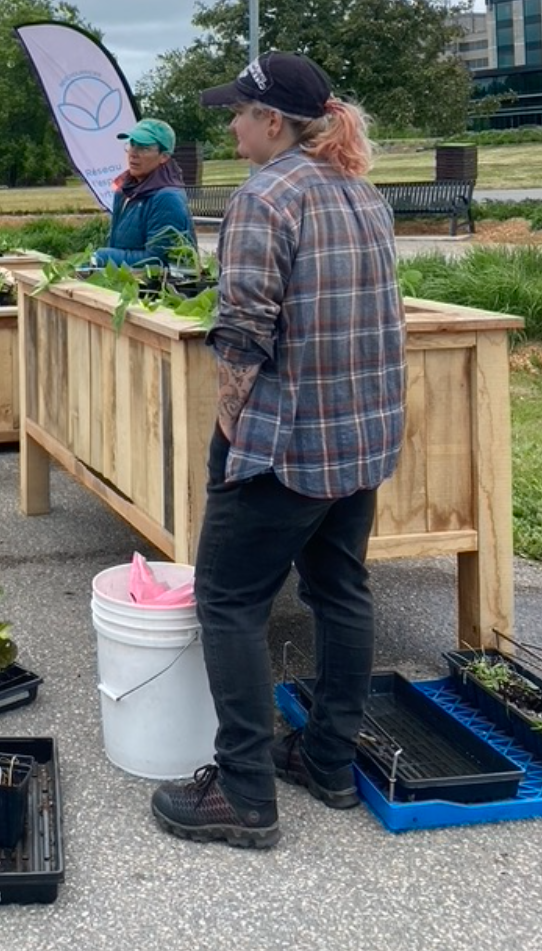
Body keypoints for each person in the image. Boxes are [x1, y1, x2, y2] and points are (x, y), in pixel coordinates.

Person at [150, 51, 406, 850]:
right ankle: (327, 761)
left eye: (240, 112)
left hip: (285, 445)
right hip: (360, 438)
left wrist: (228, 438)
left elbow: (244, 337)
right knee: (340, 590)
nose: (230, 125)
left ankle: (245, 792)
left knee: (228, 600)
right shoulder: (361, 192)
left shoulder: (264, 197)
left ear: (273, 122)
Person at [90, 117, 195, 268]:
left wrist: (102, 257)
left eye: (144, 148)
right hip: (125, 285)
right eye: (132, 144)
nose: (133, 153)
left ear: (164, 156)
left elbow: (159, 261)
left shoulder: (167, 198)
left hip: (156, 290)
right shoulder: (125, 190)